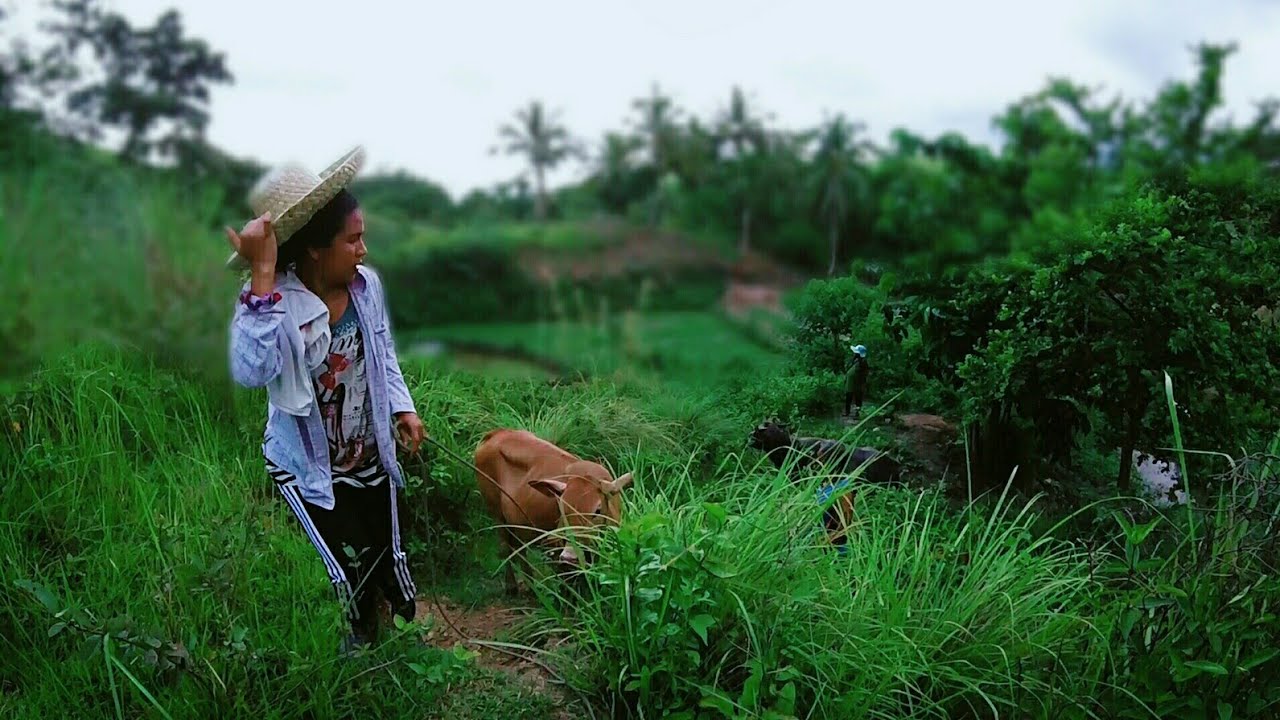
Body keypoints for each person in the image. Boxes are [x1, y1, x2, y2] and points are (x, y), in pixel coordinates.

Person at [225, 146, 426, 654]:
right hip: (310, 464)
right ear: (315, 249)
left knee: (389, 548)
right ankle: (357, 645)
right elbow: (252, 372)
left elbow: (381, 350)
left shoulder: (366, 288)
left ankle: (403, 627)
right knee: (344, 565)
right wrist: (263, 274)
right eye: (353, 239)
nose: (363, 250)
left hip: (368, 451)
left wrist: (402, 407)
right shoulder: (271, 308)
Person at [843, 344, 869, 419]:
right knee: (848, 397)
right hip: (850, 383)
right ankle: (847, 412)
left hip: (858, 384)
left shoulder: (863, 362)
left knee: (858, 398)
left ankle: (858, 413)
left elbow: (864, 374)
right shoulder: (855, 360)